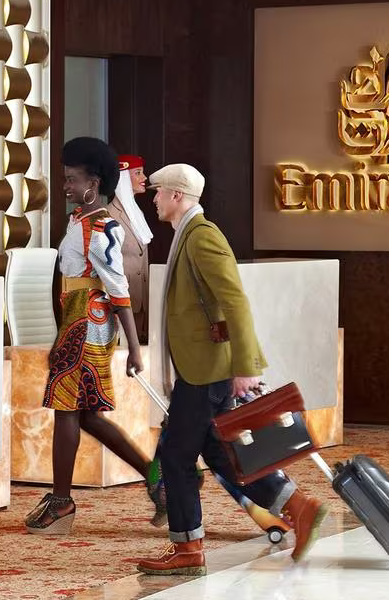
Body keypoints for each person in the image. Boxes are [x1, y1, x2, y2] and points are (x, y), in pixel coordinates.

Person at [137, 163, 328, 576]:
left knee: (175, 455)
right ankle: (298, 506)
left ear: (176, 196)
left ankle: (188, 548)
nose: (152, 199)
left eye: (158, 193)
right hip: (200, 368)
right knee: (221, 453)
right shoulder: (187, 235)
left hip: (208, 371)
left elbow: (235, 300)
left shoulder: (202, 237)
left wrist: (245, 366)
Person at [24, 137, 159, 535]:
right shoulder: (79, 220)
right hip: (78, 322)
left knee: (68, 410)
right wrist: (59, 334)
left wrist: (134, 349)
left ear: (94, 181)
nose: (64, 186)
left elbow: (118, 289)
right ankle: (156, 478)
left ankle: (62, 502)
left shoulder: (100, 227)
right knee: (86, 415)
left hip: (88, 324)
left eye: (71, 178)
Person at [107, 154, 153, 344]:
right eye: (138, 173)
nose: (144, 178)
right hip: (123, 301)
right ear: (124, 178)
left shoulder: (136, 212)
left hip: (141, 297)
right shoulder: (110, 215)